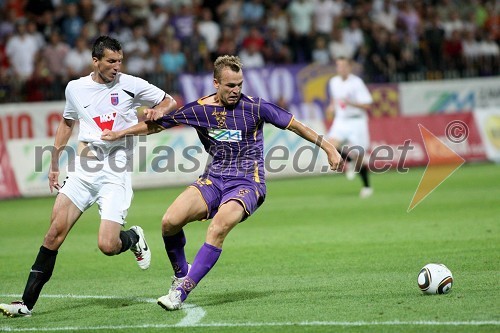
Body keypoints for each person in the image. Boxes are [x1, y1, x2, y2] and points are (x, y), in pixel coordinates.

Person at [100, 55, 343, 310]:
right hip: (213, 179)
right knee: (169, 222)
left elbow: (295, 125)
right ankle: (182, 274)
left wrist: (328, 147)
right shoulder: (200, 109)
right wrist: (119, 133)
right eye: (230, 85)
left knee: (218, 228)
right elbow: (157, 126)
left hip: (248, 182)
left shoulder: (256, 107)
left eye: (239, 84)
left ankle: (180, 294)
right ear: (216, 83)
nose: (236, 90)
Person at [0, 35, 177, 318]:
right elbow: (67, 122)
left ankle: (132, 238)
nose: (117, 66)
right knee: (54, 234)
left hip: (115, 171)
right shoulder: (76, 89)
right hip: (84, 169)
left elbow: (170, 101)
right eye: (111, 61)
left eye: (120, 61)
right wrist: (55, 161)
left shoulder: (131, 84)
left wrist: (158, 110)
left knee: (108, 246)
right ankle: (25, 303)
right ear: (95, 61)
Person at [325, 57, 374, 198]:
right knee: (330, 144)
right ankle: (350, 162)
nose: (341, 69)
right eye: (339, 66)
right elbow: (334, 99)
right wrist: (331, 107)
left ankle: (367, 186)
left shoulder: (357, 83)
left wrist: (351, 103)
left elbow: (367, 105)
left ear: (349, 67)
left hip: (357, 121)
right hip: (341, 120)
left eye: (344, 66)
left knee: (360, 156)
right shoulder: (333, 82)